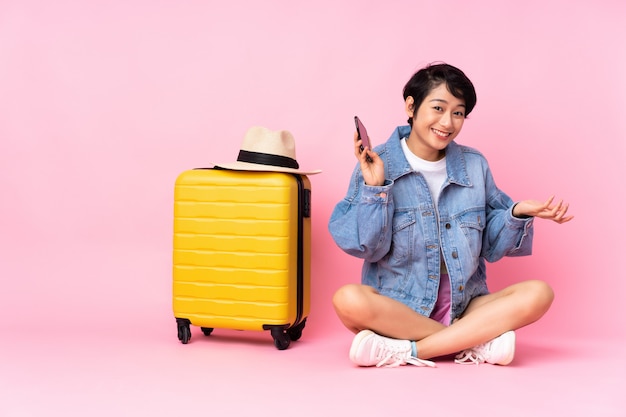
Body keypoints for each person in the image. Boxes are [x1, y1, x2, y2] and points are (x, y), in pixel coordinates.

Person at [328, 63, 573, 368]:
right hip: (399, 308)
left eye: (458, 113)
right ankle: (472, 342)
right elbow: (366, 246)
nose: (448, 122)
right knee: (348, 299)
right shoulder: (379, 162)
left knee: (539, 292)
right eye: (438, 108)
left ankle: (409, 351)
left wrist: (516, 213)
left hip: (466, 306)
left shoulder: (473, 165)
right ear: (411, 105)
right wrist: (376, 189)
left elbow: (491, 248)